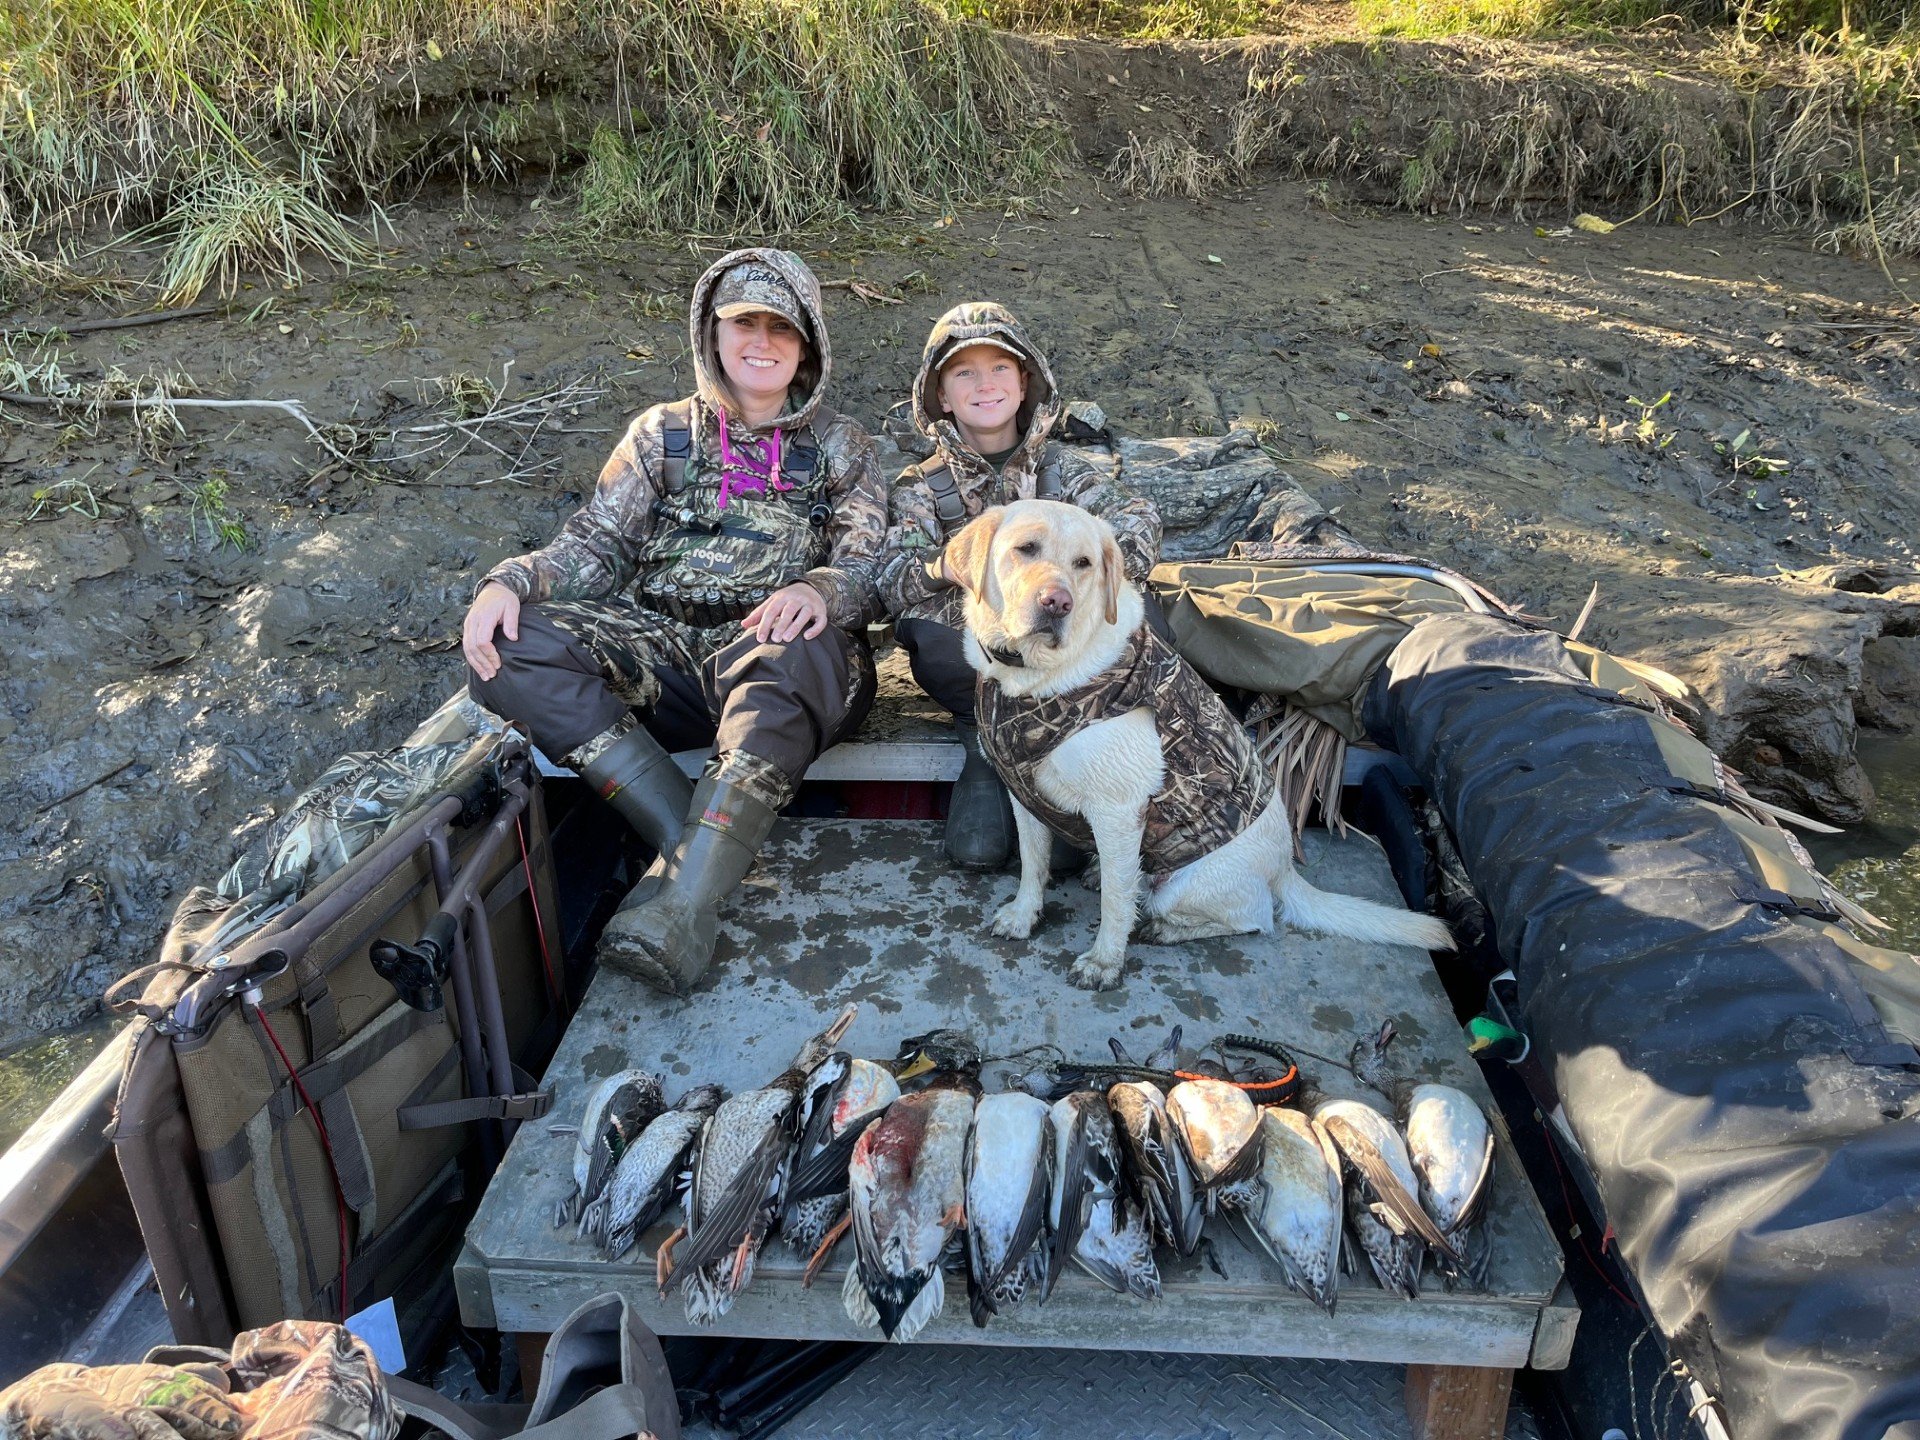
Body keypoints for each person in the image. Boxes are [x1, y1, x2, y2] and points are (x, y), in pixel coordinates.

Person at [463, 250, 883, 993]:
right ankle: (689, 855)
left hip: (778, 668)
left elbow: (868, 565)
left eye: (780, 327)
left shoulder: (844, 446)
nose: (761, 341)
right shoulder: (661, 433)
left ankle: (682, 911)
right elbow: (597, 543)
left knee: (803, 644)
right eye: (743, 323)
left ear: (809, 343)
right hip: (664, 654)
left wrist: (820, 591)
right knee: (509, 644)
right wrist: (511, 580)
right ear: (711, 335)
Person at [877, 301, 1163, 871]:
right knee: (931, 632)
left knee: (1136, 612)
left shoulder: (1066, 468)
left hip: (1065, 683)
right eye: (964, 372)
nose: (985, 384)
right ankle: (984, 748)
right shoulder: (923, 485)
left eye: (1000, 368)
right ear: (941, 396)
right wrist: (951, 567)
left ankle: (1073, 761)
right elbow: (890, 576)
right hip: (976, 677)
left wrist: (1084, 578)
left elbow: (1136, 521)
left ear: (1025, 381)